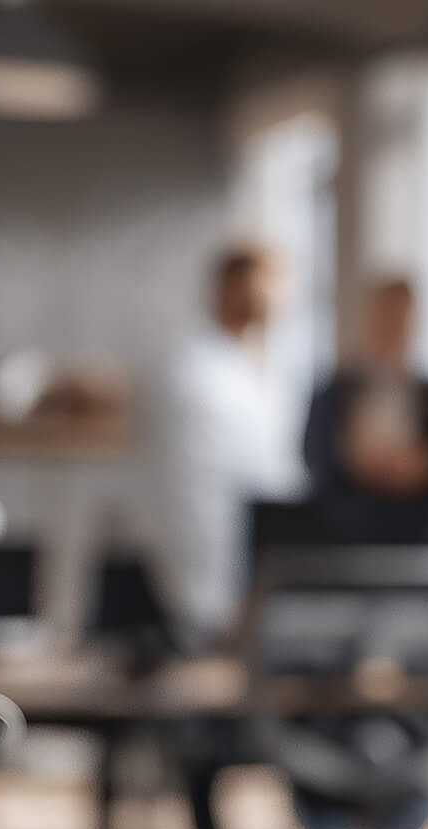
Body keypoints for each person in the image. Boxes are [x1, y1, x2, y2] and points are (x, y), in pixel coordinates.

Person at [151, 244, 305, 651]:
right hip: (210, 584)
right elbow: (198, 494)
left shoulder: (252, 368)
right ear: (232, 287)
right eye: (270, 283)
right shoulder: (197, 371)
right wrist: (220, 596)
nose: (282, 298)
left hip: (254, 578)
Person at [301, 278, 428, 546]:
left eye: (401, 316)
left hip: (422, 537)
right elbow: (314, 457)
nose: (393, 324)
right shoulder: (334, 393)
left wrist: (426, 466)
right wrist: (355, 462)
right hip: (348, 537)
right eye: (385, 313)